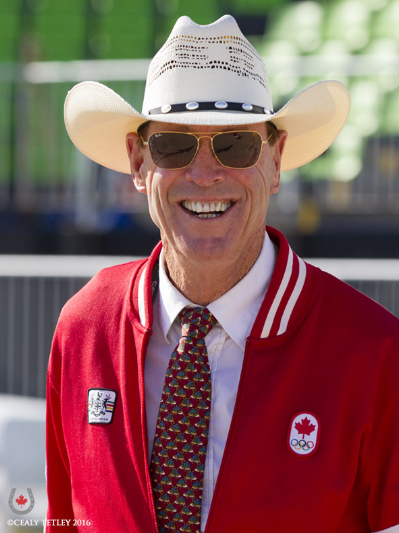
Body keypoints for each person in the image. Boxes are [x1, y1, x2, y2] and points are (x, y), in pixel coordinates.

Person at [46, 14, 399, 533]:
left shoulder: (376, 354)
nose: (205, 173)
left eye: (235, 144)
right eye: (174, 145)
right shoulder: (83, 330)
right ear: (139, 163)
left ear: (275, 161)